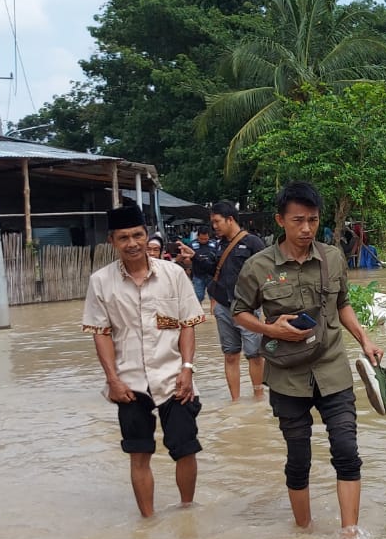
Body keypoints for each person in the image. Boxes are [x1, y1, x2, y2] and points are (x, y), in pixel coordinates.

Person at [233, 181, 383, 539]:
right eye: (298, 220)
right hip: (286, 375)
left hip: (333, 367)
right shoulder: (258, 266)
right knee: (298, 458)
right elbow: (239, 311)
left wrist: (365, 339)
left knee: (347, 450)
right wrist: (271, 329)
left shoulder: (332, 258)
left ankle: (350, 535)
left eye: (313, 220)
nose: (306, 229)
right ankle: (303, 534)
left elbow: (342, 303)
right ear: (280, 220)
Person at [82, 206, 206, 518]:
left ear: (146, 234)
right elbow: (102, 333)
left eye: (138, 235)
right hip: (129, 381)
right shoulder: (100, 282)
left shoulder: (173, 274)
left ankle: (187, 511)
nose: (133, 243)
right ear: (112, 241)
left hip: (174, 376)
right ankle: (148, 522)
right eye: (124, 238)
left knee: (185, 449)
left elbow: (187, 324)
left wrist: (187, 370)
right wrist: (112, 380)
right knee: (139, 453)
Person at [206, 202, 267, 401]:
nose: (214, 226)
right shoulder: (218, 244)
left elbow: (267, 277)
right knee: (230, 354)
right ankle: (235, 401)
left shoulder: (253, 243)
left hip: (248, 308)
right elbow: (216, 274)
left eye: (217, 221)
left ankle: (258, 397)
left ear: (230, 219)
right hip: (224, 306)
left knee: (254, 354)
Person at [179, 226, 218, 302]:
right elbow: (186, 259)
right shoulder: (191, 245)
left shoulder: (214, 244)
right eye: (201, 239)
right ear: (197, 236)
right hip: (198, 275)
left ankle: (214, 313)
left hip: (211, 275)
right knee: (198, 296)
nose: (204, 241)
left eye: (206, 239)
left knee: (214, 297)